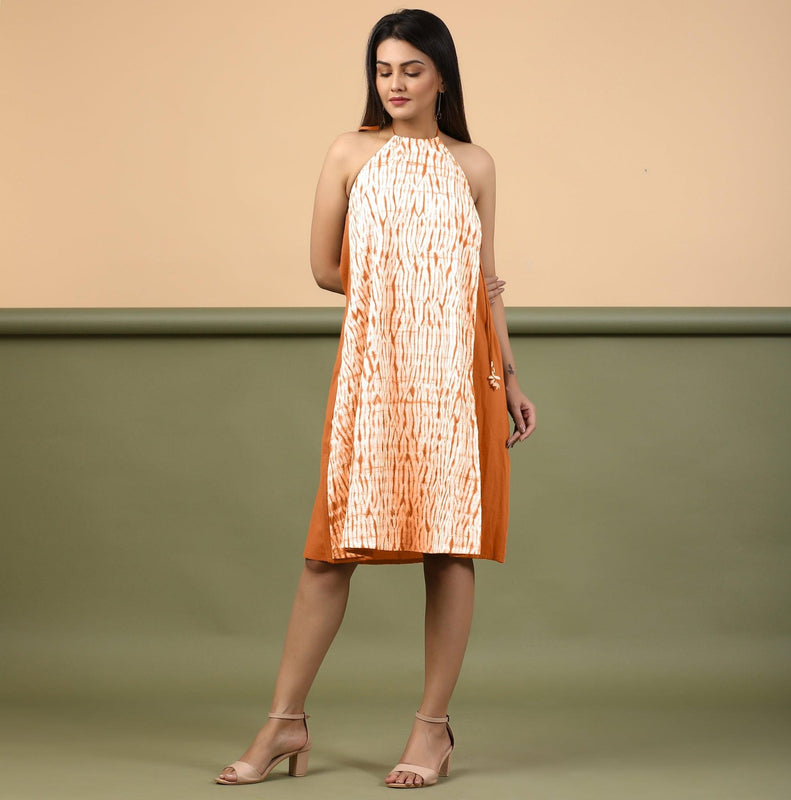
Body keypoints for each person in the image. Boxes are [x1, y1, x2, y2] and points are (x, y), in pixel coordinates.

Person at [215, 8, 536, 789]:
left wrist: (514, 376)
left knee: (450, 549)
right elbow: (325, 267)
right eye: (384, 70)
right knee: (331, 552)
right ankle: (284, 721)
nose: (395, 84)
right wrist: (406, 295)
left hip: (461, 376)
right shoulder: (350, 152)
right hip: (377, 368)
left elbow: (486, 283)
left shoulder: (476, 164)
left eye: (412, 70)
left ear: (442, 76)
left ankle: (432, 732)